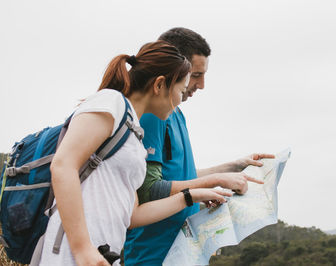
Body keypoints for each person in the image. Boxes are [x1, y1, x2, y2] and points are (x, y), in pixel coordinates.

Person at [37, 41, 232, 266]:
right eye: (180, 90)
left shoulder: (135, 136)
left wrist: (192, 196)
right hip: (70, 256)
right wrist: (82, 250)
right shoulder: (111, 102)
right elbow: (63, 166)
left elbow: (133, 216)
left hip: (103, 256)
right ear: (160, 85)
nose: (180, 100)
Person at [124, 28, 274, 265]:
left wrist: (234, 167)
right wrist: (214, 183)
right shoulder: (153, 115)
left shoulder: (177, 115)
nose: (201, 85)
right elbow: (148, 189)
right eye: (195, 75)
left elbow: (181, 176)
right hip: (154, 256)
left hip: (185, 253)